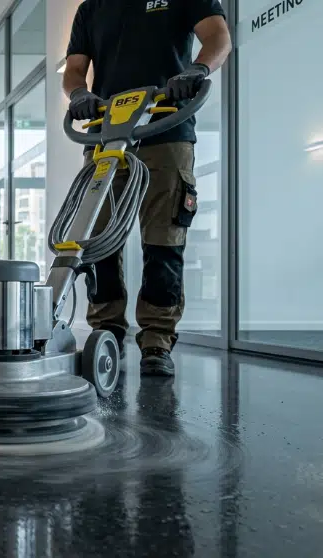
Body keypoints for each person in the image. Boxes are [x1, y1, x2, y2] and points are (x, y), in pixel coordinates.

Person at [62, 0, 232, 377]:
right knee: (97, 241)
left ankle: (157, 339)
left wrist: (198, 69)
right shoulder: (92, 8)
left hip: (166, 127)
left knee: (163, 241)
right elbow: (74, 70)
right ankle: (106, 329)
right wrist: (78, 94)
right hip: (105, 134)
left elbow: (219, 38)